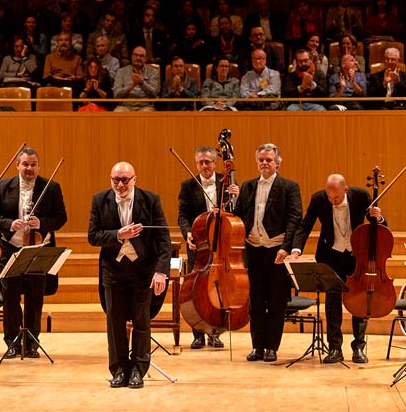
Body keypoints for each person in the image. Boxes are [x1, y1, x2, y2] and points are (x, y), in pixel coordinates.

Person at [88, 161, 170, 388]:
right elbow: (93, 236)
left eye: (125, 180)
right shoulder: (99, 200)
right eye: (116, 180)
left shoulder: (150, 199)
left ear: (135, 179)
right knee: (114, 323)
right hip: (113, 271)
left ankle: (138, 369)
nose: (121, 185)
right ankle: (119, 369)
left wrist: (161, 272)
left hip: (143, 270)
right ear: (110, 180)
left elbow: (163, 239)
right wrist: (118, 234)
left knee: (141, 321)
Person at [290, 173, 383, 364]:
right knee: (332, 303)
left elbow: (378, 226)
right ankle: (334, 348)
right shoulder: (319, 199)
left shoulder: (361, 196)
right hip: (330, 255)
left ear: (346, 190)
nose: (333, 201)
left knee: (359, 302)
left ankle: (358, 347)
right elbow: (305, 225)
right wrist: (296, 249)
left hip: (356, 256)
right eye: (330, 197)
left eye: (337, 198)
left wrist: (379, 218)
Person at [226, 144, 302, 363]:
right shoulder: (248, 186)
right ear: (257, 162)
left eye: (269, 159)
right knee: (256, 302)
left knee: (276, 302)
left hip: (277, 252)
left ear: (277, 162)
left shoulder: (289, 187)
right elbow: (238, 217)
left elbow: (294, 219)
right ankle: (257, 346)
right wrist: (228, 203)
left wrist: (286, 248)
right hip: (253, 251)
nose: (265, 163)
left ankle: (271, 347)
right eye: (261, 159)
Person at [0, 148, 68, 357]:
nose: (29, 168)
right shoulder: (4, 186)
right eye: (25, 164)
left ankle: (32, 342)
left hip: (38, 249)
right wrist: (9, 223)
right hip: (10, 248)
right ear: (17, 165)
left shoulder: (50, 187)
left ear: (38, 166)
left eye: (33, 164)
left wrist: (42, 223)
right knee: (10, 297)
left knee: (35, 297)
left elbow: (61, 218)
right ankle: (13, 343)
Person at [176, 146, 225, 349]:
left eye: (208, 162)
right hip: (198, 244)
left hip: (221, 244)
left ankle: (215, 333)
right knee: (196, 291)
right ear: (196, 164)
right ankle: (198, 334)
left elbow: (236, 209)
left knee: (218, 291)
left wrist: (225, 208)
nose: (204, 166)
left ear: (215, 162)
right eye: (200, 162)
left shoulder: (226, 180)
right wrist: (188, 233)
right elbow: (183, 215)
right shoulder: (188, 185)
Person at [112, 46, 159, 111]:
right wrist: (131, 87)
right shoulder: (121, 72)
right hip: (125, 106)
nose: (138, 58)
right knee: (118, 111)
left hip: (145, 106)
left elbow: (154, 94)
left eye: (141, 56)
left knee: (147, 112)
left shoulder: (153, 72)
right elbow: (116, 94)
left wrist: (141, 82)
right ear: (131, 57)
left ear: (146, 58)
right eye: (136, 55)